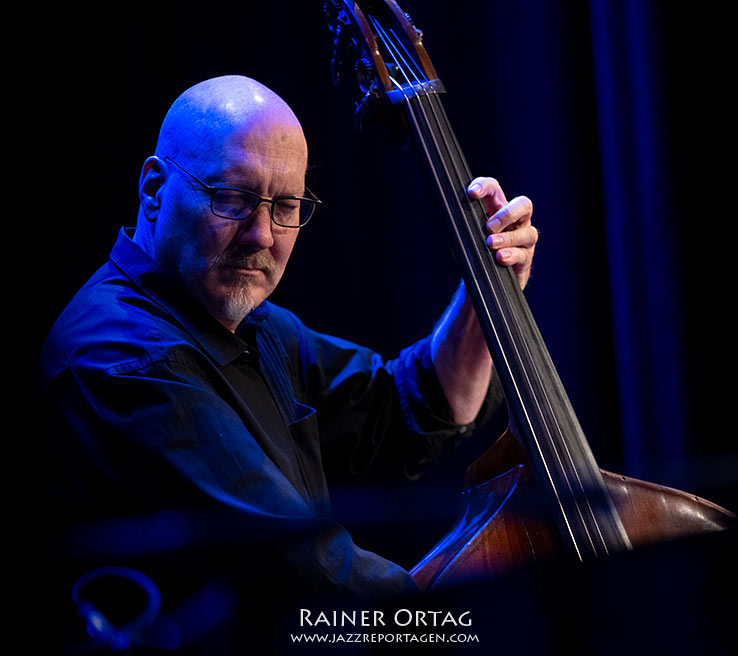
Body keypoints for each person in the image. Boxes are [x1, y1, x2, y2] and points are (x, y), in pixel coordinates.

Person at [38, 75, 537, 646]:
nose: (261, 235)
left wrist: (485, 293)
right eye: (232, 198)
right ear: (154, 188)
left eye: (286, 206)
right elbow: (304, 568)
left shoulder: (243, 320)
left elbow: (407, 407)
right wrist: (480, 625)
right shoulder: (125, 359)